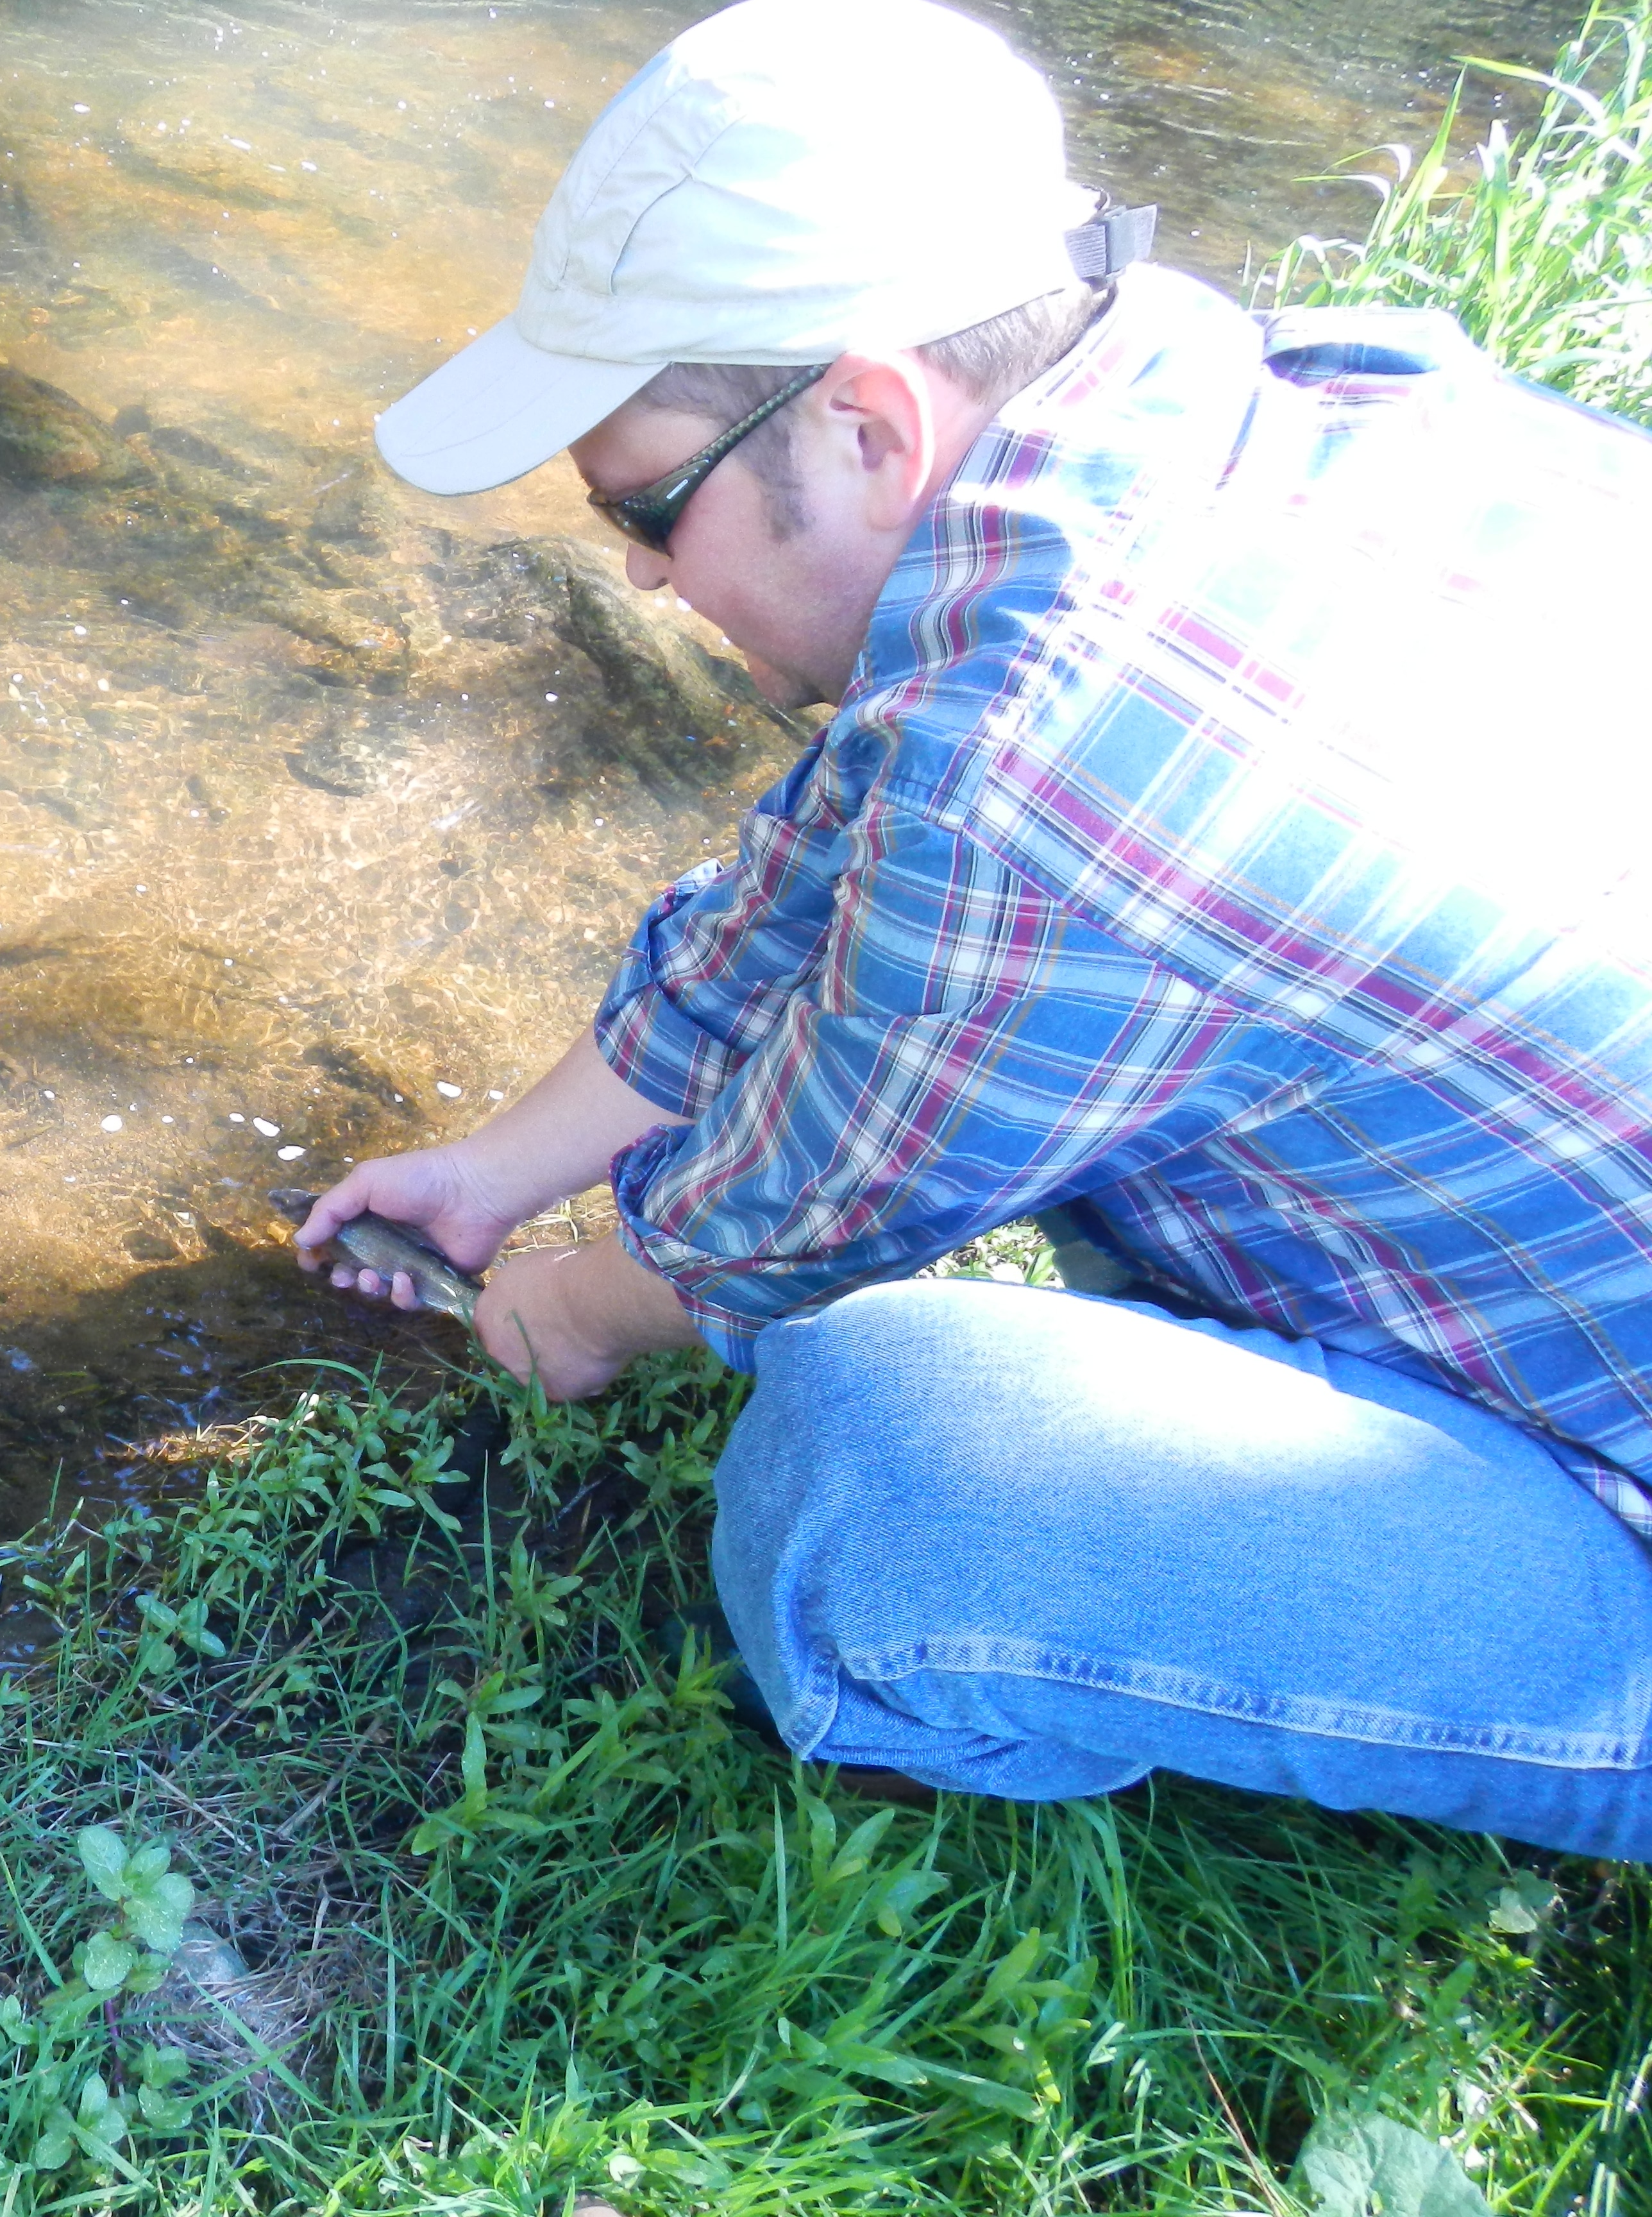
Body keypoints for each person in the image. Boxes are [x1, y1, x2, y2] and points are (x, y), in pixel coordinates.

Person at [295, 0, 1652, 1857]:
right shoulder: (1304, 406)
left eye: (650, 507)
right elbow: (812, 879)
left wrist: (568, 1308)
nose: (637, 571)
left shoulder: (1036, 778)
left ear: (870, 427)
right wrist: (493, 1171)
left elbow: (784, 1229)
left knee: (885, 1479)